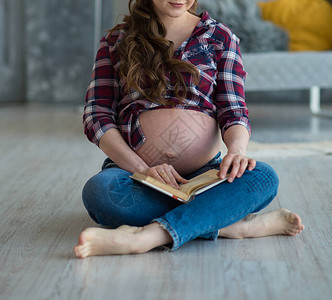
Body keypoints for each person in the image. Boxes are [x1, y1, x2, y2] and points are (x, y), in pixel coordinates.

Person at [74, 0, 304, 258]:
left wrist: (237, 151)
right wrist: (143, 169)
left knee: (263, 177)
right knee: (100, 192)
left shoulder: (220, 37)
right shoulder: (116, 41)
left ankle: (148, 237)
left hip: (206, 176)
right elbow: (98, 115)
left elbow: (233, 109)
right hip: (136, 174)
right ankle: (230, 224)